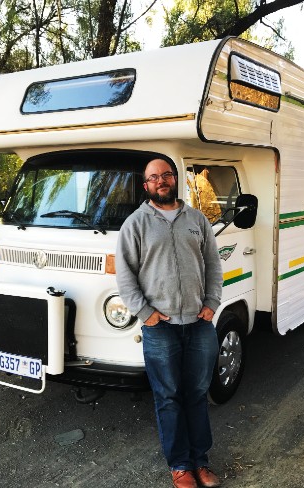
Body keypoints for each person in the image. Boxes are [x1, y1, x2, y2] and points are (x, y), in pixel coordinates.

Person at [115, 158, 223, 488]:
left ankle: (200, 462)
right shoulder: (135, 224)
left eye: (165, 175)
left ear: (174, 179)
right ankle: (180, 466)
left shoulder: (197, 219)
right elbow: (124, 275)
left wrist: (211, 303)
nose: (161, 181)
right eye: (153, 178)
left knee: (197, 393)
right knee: (168, 397)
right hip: (160, 328)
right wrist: (144, 313)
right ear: (145, 185)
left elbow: (213, 266)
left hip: (199, 323)